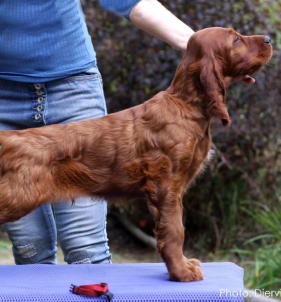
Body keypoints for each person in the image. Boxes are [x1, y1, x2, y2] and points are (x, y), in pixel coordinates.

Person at [0, 0, 194, 265]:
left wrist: (202, 47)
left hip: (71, 91)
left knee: (86, 250)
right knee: (30, 248)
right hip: (2, 101)